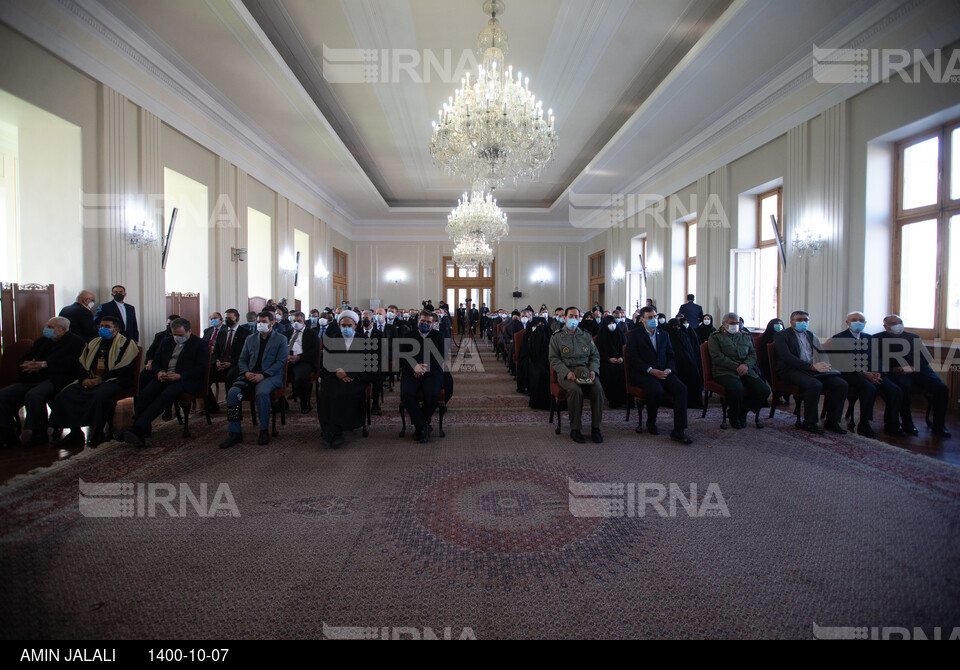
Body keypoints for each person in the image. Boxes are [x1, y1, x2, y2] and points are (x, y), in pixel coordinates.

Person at [49, 316, 139, 447]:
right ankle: (75, 432)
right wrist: (85, 378)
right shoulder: (94, 342)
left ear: (116, 329)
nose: (103, 329)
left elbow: (124, 367)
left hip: (114, 379)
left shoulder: (126, 343)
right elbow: (81, 363)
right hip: (90, 378)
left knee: (98, 396)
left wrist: (101, 379)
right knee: (64, 395)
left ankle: (98, 431)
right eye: (101, 326)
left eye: (107, 326)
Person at [121, 318, 208, 447]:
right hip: (165, 376)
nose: (177, 338)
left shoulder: (200, 344)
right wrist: (159, 372)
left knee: (166, 394)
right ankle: (142, 430)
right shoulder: (166, 342)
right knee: (144, 394)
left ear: (189, 331)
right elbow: (155, 361)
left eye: (181, 335)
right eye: (175, 335)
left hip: (186, 380)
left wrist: (180, 376)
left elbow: (201, 367)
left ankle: (137, 429)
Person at [0, 316, 84, 448]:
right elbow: (25, 358)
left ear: (63, 329)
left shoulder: (75, 342)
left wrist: (45, 365)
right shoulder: (42, 341)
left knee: (34, 395)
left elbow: (70, 364)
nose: (46, 329)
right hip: (32, 377)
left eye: (50, 327)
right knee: (3, 395)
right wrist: (27, 365)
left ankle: (39, 434)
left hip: (56, 379)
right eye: (47, 326)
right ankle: (7, 433)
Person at [827, 312, 903, 438]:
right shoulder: (839, 338)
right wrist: (864, 373)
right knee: (869, 388)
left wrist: (877, 373)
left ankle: (892, 423)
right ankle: (864, 423)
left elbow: (876, 358)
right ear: (847, 322)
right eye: (854, 319)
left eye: (861, 320)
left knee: (895, 390)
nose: (858, 322)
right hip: (849, 374)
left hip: (871, 373)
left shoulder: (869, 338)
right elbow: (843, 361)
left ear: (865, 323)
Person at [218, 311, 288, 448]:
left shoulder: (280, 339)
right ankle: (234, 432)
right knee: (233, 393)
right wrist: (246, 372)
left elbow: (280, 362)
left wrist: (263, 375)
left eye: (264, 322)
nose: (260, 324)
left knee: (261, 393)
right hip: (250, 374)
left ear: (272, 323)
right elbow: (243, 359)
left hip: (270, 376)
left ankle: (263, 430)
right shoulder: (250, 338)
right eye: (258, 322)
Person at [874, 314, 950, 438]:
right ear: (885, 327)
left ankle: (939, 425)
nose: (898, 325)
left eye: (900, 322)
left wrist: (913, 367)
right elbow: (875, 359)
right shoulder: (876, 339)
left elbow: (926, 357)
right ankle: (907, 423)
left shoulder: (913, 337)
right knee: (903, 387)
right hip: (896, 372)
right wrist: (893, 368)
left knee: (941, 389)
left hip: (918, 369)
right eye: (893, 323)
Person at [773, 310, 849, 434]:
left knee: (841, 384)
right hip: (791, 370)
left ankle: (832, 421)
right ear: (791, 322)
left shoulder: (811, 335)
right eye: (799, 320)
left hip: (812, 369)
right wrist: (811, 367)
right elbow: (786, 357)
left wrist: (824, 365)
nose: (803, 322)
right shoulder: (782, 335)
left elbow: (821, 354)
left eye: (805, 320)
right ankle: (810, 422)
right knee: (815, 385)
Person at [625, 306, 693, 444]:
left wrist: (669, 369)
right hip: (644, 373)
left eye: (655, 317)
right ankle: (651, 421)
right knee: (656, 390)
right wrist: (650, 370)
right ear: (642, 320)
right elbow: (633, 358)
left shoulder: (664, 334)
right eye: (650, 318)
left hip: (664, 371)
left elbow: (671, 355)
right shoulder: (634, 335)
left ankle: (679, 430)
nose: (654, 320)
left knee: (681, 389)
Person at [548, 307, 605, 444]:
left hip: (586, 371)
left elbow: (595, 356)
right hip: (567, 372)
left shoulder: (586, 335)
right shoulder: (557, 336)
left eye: (577, 316)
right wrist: (567, 372)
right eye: (571, 316)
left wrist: (593, 370)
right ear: (565, 318)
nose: (574, 319)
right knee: (575, 390)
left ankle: (596, 428)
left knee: (598, 390)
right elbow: (554, 359)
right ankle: (575, 429)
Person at [317, 310, 373, 449]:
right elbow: (327, 362)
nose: (346, 328)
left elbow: (367, 363)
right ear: (339, 324)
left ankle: (337, 431)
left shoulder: (364, 340)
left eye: (349, 325)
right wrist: (338, 372)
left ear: (355, 325)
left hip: (357, 377)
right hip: (334, 375)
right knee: (325, 392)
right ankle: (328, 430)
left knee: (343, 393)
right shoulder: (333, 339)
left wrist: (348, 372)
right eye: (343, 325)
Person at [708, 312, 771, 429]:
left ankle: (742, 411)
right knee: (737, 389)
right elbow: (717, 357)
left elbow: (752, 354)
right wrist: (736, 366)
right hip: (724, 371)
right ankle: (734, 416)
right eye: (732, 323)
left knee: (764, 390)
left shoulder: (745, 335)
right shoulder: (715, 336)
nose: (735, 325)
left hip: (745, 369)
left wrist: (746, 365)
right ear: (724, 324)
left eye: (737, 323)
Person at [399, 310, 446, 443]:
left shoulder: (439, 336)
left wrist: (423, 368)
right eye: (423, 321)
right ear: (418, 321)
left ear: (433, 324)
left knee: (431, 393)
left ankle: (420, 427)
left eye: (428, 322)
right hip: (411, 371)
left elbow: (440, 358)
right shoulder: (408, 335)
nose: (425, 324)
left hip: (431, 372)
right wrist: (414, 366)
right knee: (407, 394)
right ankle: (423, 425)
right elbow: (402, 356)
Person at [210, 309, 251, 411]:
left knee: (231, 377)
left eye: (230, 318)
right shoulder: (222, 332)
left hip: (236, 363)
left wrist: (231, 363)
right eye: (226, 318)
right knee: (204, 376)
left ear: (237, 318)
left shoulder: (246, 333)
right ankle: (211, 405)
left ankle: (232, 405)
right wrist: (217, 362)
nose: (227, 320)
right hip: (221, 363)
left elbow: (245, 354)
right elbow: (216, 352)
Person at [667, 317, 704, 410]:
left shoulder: (683, 335)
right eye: (674, 326)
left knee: (694, 375)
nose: (676, 328)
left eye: (678, 326)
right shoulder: (668, 336)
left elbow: (691, 350)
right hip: (674, 364)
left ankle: (694, 402)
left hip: (689, 362)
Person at [286, 311, 319, 414]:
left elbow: (314, 350)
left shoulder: (311, 333)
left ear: (304, 321)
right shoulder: (287, 333)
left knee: (301, 377)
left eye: (299, 321)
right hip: (288, 360)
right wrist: (287, 356)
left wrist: (299, 357)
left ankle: (304, 404)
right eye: (294, 321)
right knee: (275, 374)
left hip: (303, 360)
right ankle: (281, 403)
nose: (296, 323)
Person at [594, 315, 627, 410]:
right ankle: (613, 399)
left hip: (620, 361)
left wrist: (621, 357)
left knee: (623, 371)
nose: (612, 325)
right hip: (605, 362)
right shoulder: (601, 336)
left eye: (613, 323)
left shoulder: (620, 334)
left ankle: (624, 399)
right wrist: (608, 359)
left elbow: (625, 348)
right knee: (610, 372)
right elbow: (598, 352)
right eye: (609, 324)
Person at [141, 314, 179, 392]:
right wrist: (149, 360)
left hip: (169, 366)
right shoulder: (159, 336)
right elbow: (150, 351)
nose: (169, 326)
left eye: (172, 324)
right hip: (155, 364)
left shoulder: (181, 337)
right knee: (142, 377)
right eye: (168, 324)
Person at [757, 318, 788, 406]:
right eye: (776, 323)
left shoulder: (786, 335)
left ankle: (784, 393)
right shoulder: (765, 337)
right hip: (768, 363)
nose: (779, 325)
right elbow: (764, 354)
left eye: (780, 323)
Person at [358, 310, 384, 415]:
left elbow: (382, 353)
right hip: (360, 363)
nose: (365, 320)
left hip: (374, 363)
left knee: (377, 375)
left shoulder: (379, 334)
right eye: (363, 318)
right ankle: (359, 404)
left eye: (367, 318)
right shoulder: (357, 333)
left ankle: (375, 404)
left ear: (372, 319)